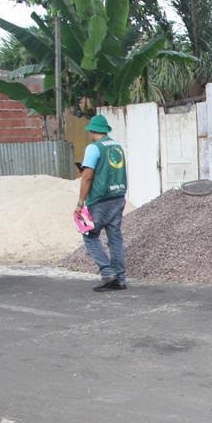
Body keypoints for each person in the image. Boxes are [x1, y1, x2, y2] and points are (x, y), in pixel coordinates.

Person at [77, 114, 128, 292]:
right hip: (118, 196)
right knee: (114, 237)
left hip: (100, 199)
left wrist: (80, 202)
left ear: (92, 131)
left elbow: (87, 176)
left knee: (90, 236)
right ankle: (120, 280)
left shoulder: (93, 148)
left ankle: (107, 273)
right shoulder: (117, 146)